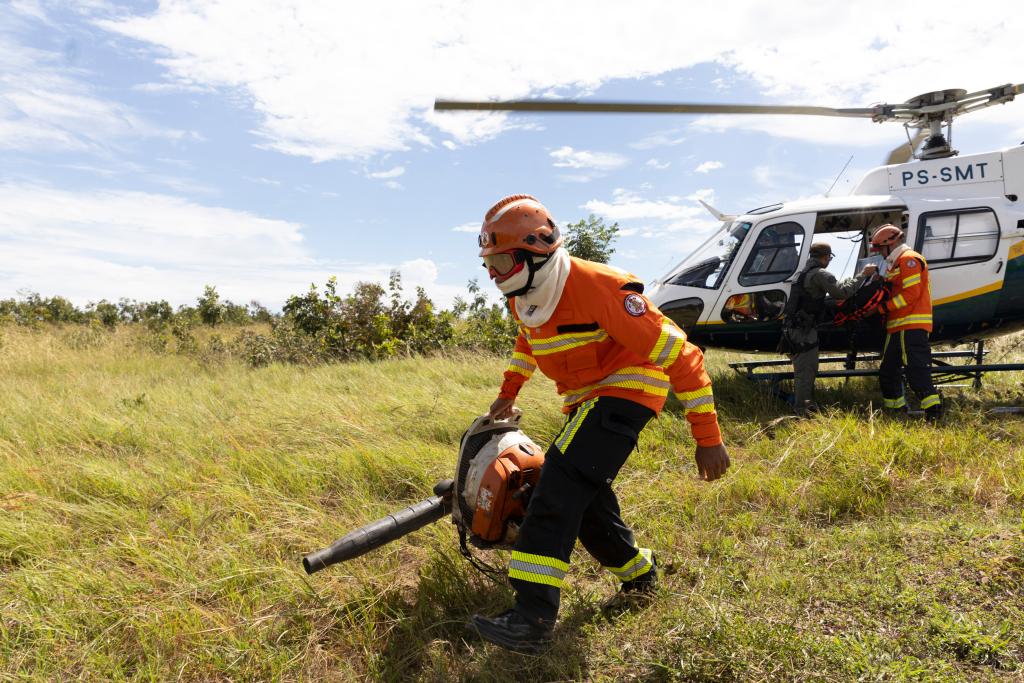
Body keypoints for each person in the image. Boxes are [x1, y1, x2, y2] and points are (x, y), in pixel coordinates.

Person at [468, 194, 730, 653]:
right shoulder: (525, 297)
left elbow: (684, 356)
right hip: (584, 402)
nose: (493, 275)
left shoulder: (600, 288)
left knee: (557, 484)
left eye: (502, 261)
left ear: (537, 252)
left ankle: (531, 617)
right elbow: (529, 342)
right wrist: (508, 393)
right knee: (586, 500)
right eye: (489, 264)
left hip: (627, 392)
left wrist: (707, 438)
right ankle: (641, 575)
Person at [784, 242, 877, 415]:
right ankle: (802, 411)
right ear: (825, 257)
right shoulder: (820, 274)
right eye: (829, 258)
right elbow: (841, 293)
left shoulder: (803, 273)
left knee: (806, 369)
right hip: (803, 331)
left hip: (795, 329)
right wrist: (863, 275)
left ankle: (806, 406)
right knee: (806, 371)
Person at [870, 224, 942, 419]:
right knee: (888, 372)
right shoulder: (897, 263)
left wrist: (882, 308)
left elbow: (911, 294)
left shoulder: (909, 260)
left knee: (916, 372)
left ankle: (934, 413)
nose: (880, 254)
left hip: (910, 325)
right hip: (898, 327)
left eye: (879, 249)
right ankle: (896, 411)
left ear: (889, 244)